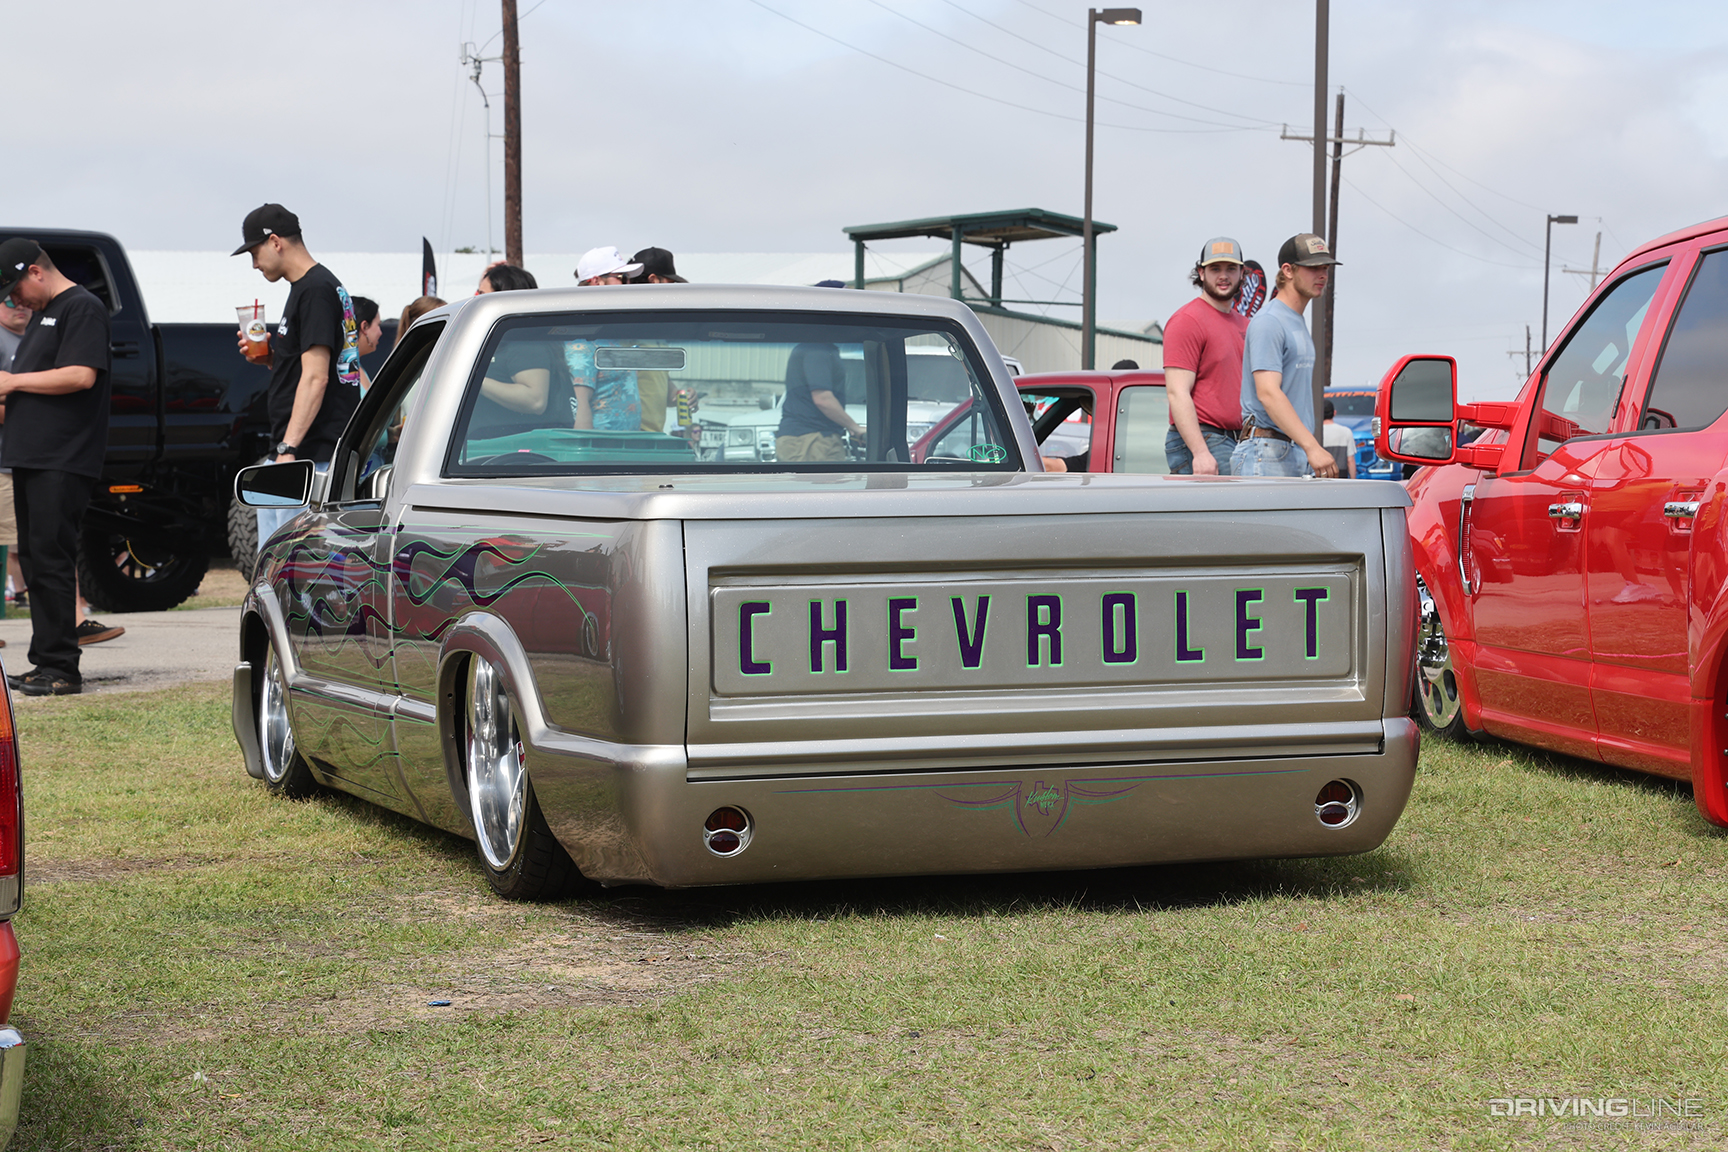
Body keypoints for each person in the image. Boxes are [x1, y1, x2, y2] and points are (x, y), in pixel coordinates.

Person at [0, 238, 113, 694]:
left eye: (14, 288)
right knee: (35, 559)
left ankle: (63, 669)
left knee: (51, 558)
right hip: (30, 456)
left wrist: (12, 380)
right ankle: (44, 660)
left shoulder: (80, 308)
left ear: (36, 272)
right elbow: (31, 391)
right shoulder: (42, 319)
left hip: (61, 458)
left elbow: (81, 374)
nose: (13, 300)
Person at [231, 204, 362, 550]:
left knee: (292, 567)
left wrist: (287, 449)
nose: (254, 264)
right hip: (303, 451)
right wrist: (272, 359)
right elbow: (310, 369)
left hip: (309, 454)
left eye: (254, 253)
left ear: (275, 242)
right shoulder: (310, 287)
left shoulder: (315, 289)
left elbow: (317, 378)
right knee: (283, 565)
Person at [1230, 234, 1339, 479]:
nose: (1322, 274)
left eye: (1325, 267)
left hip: (1287, 448)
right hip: (1266, 449)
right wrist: (1312, 446)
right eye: (1313, 268)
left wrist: (1306, 446)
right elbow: (1268, 393)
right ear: (1288, 270)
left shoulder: (1294, 320)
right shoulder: (1270, 321)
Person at [1162, 237, 1249, 476]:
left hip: (1238, 440)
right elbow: (1177, 392)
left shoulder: (1245, 324)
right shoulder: (1187, 320)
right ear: (1201, 273)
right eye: (1215, 269)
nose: (1223, 275)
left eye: (1231, 268)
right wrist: (1200, 452)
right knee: (1225, 513)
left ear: (1242, 274)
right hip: (1205, 439)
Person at [566, 248, 644, 430]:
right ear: (597, 281)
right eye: (621, 278)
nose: (627, 284)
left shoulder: (612, 333)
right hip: (601, 452)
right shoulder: (583, 338)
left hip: (622, 450)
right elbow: (579, 405)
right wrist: (585, 455)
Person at [625, 248, 689, 431]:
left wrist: (679, 395)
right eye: (671, 283)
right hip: (630, 439)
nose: (674, 292)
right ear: (654, 280)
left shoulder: (653, 331)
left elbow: (655, 381)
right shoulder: (628, 328)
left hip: (651, 439)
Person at [774, 342, 863, 461]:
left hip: (806, 440)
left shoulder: (812, 349)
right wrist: (855, 428)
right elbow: (822, 399)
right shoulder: (818, 350)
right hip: (812, 442)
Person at [1322, 398, 1358, 479]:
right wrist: (1353, 480)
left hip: (1320, 475)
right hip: (1340, 476)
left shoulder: (1315, 433)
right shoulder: (1346, 432)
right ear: (1334, 413)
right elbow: (1350, 460)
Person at [353, 296, 382, 394]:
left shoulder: (357, 366)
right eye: (378, 325)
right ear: (364, 326)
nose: (380, 332)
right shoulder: (341, 371)